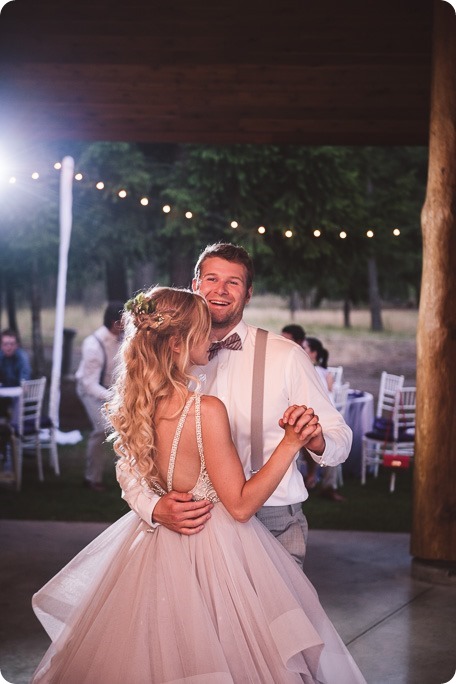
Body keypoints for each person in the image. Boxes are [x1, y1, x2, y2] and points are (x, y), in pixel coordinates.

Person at [31, 287, 366, 683]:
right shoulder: (204, 410)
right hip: (217, 545)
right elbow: (240, 506)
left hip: (154, 549)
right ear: (177, 342)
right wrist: (291, 443)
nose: (212, 338)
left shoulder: (136, 406)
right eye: (203, 330)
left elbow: (133, 466)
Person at [118, 243, 352, 569]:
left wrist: (314, 439)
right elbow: (131, 450)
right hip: (193, 525)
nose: (221, 290)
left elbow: (339, 435)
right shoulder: (166, 358)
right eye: (212, 279)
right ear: (195, 284)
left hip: (273, 519)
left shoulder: (286, 356)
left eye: (234, 282)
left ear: (249, 293)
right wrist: (151, 507)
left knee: (273, 620)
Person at [75, 302, 123, 492]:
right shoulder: (93, 345)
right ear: (115, 323)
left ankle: (131, 476)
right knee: (101, 429)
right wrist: (115, 397)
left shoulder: (123, 337)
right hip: (90, 390)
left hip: (111, 389)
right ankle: (91, 478)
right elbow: (89, 384)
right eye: (125, 321)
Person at [303, 336, 346, 502]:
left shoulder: (321, 373)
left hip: (323, 419)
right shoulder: (304, 370)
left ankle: (325, 485)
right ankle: (312, 477)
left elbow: (329, 396)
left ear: (313, 353)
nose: (301, 350)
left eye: (305, 348)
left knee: (332, 443)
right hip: (307, 419)